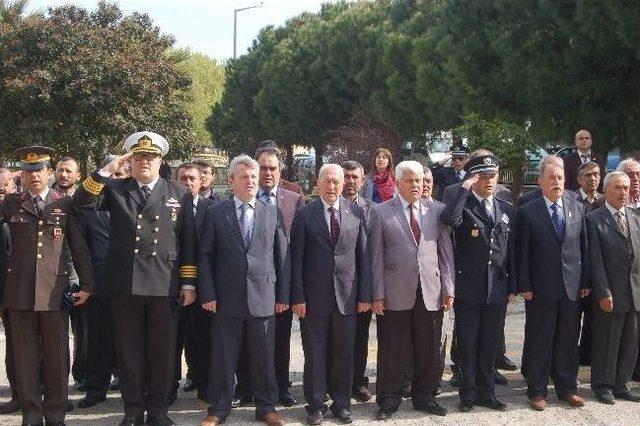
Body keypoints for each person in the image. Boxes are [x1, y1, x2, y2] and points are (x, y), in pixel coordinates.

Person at [74, 131, 198, 426]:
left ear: (160, 161)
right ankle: (132, 410)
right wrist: (106, 169)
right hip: (125, 282)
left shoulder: (177, 193)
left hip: (163, 282)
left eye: (150, 157)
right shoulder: (116, 189)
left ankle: (157, 410)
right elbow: (81, 201)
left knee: (163, 351)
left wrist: (189, 283)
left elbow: (188, 241)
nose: (145, 162)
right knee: (128, 350)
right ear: (131, 161)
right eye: (139, 157)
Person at [1, 146, 93, 426]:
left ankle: (55, 414)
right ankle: (31, 415)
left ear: (49, 173)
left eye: (39, 170)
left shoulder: (63, 204)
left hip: (54, 292)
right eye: (28, 171)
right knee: (25, 359)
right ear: (22, 176)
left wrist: (87, 284)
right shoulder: (11, 204)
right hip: (19, 294)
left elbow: (78, 248)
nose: (34, 176)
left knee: (57, 358)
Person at [198, 154, 290, 426]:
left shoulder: (271, 211)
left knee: (264, 357)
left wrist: (283, 295)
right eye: (244, 177)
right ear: (231, 181)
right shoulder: (216, 212)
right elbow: (205, 256)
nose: (251, 181)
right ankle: (218, 408)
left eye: (253, 176)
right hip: (226, 298)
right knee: (224, 357)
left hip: (264, 297)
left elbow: (282, 256)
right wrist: (208, 294)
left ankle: (266, 406)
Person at [370, 161, 454, 420]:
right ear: (397, 183)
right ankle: (389, 399)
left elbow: (445, 254)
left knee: (428, 347)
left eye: (419, 180)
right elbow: (375, 256)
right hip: (395, 291)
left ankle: (425, 396)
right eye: (410, 180)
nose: (416, 185)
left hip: (430, 290)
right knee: (393, 347)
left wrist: (448, 288)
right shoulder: (382, 212)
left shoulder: (437, 211)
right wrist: (377, 294)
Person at [290, 164, 370, 425]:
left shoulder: (356, 213)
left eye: (337, 181)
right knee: (315, 352)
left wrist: (364, 296)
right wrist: (298, 297)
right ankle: (315, 405)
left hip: (347, 298)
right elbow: (296, 260)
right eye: (328, 181)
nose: (333, 186)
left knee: (344, 353)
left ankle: (342, 403)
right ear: (318, 182)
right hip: (313, 299)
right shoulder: (304, 214)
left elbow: (363, 258)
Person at [441, 151, 517, 413]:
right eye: (482, 176)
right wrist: (463, 189)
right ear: (473, 178)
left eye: (492, 175)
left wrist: (512, 285)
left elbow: (510, 251)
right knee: (468, 343)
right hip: (469, 288)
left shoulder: (506, 208)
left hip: (496, 287)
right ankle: (468, 393)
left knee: (489, 343)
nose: (489, 180)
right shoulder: (463, 204)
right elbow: (449, 220)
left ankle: (488, 392)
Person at [517, 155, 590, 411]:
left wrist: (586, 280)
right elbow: (521, 253)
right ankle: (537, 391)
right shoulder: (527, 211)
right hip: (540, 289)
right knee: (540, 339)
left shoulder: (577, 206)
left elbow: (583, 247)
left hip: (572, 287)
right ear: (541, 182)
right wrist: (524, 285)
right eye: (551, 177)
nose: (557, 182)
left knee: (568, 340)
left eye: (560, 177)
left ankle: (567, 388)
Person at [234, 145, 304, 408]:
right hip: (249, 284)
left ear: (280, 170)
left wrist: (290, 290)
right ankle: (246, 387)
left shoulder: (294, 199)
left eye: (272, 168)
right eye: (262, 167)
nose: (267, 173)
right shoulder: (243, 197)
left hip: (280, 283)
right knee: (246, 338)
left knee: (280, 339)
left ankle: (281, 387)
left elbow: (295, 248)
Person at [76, 156, 129, 409]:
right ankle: (96, 388)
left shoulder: (135, 203)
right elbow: (81, 249)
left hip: (131, 285)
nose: (115, 180)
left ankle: (132, 386)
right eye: (112, 175)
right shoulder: (91, 208)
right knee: (98, 339)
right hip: (100, 284)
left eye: (120, 176)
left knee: (130, 340)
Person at [587, 171, 640, 404]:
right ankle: (603, 385)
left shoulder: (636, 218)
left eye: (626, 188)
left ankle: (621, 384)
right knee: (608, 340)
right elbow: (595, 261)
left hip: (635, 291)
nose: (622, 192)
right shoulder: (594, 219)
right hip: (610, 291)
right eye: (618, 187)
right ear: (606, 190)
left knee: (630, 340)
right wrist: (603, 291)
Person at [174, 163, 216, 403]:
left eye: (192, 178)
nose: (188, 183)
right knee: (173, 338)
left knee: (203, 337)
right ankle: (169, 385)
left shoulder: (213, 208)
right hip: (170, 283)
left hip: (204, 285)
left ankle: (204, 383)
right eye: (182, 178)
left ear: (202, 182)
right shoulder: (166, 206)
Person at [341, 161, 374, 402]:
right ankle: (337, 382)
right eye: (347, 177)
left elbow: (374, 252)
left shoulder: (373, 210)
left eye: (355, 177)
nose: (351, 181)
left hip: (362, 285)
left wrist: (370, 291)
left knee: (360, 337)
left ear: (362, 181)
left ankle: (358, 382)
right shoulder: (329, 207)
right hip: (337, 286)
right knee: (337, 338)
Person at [53, 156, 87, 392]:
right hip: (50, 276)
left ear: (78, 176)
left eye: (69, 171)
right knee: (52, 334)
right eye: (60, 170)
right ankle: (53, 382)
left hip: (78, 274)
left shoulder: (83, 201)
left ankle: (81, 375)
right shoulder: (47, 200)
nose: (64, 174)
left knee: (82, 331)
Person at [571, 161, 602, 366]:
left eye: (596, 174)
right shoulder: (571, 200)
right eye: (588, 175)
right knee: (571, 324)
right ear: (579, 179)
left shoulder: (604, 201)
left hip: (598, 274)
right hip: (575, 275)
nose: (592, 178)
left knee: (594, 323)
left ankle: (588, 360)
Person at [0, 172, 18, 415]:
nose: (2, 189)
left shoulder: (25, 211)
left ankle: (25, 393)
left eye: (5, 184)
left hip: (21, 290)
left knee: (21, 346)